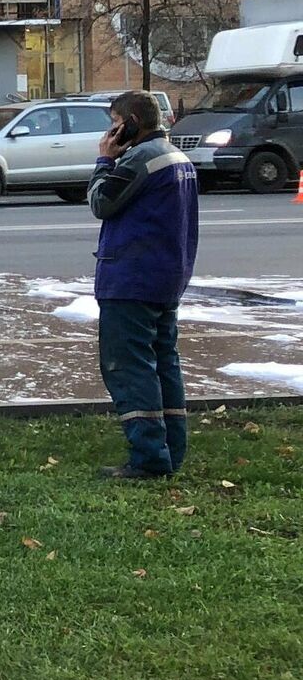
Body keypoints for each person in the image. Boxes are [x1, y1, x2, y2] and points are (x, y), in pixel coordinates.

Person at [88, 91, 199, 479]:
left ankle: (149, 457)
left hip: (131, 280)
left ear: (132, 121)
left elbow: (102, 201)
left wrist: (105, 159)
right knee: (164, 363)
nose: (111, 131)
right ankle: (173, 450)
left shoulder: (139, 159)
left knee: (130, 367)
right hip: (167, 278)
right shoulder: (177, 158)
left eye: (115, 122)